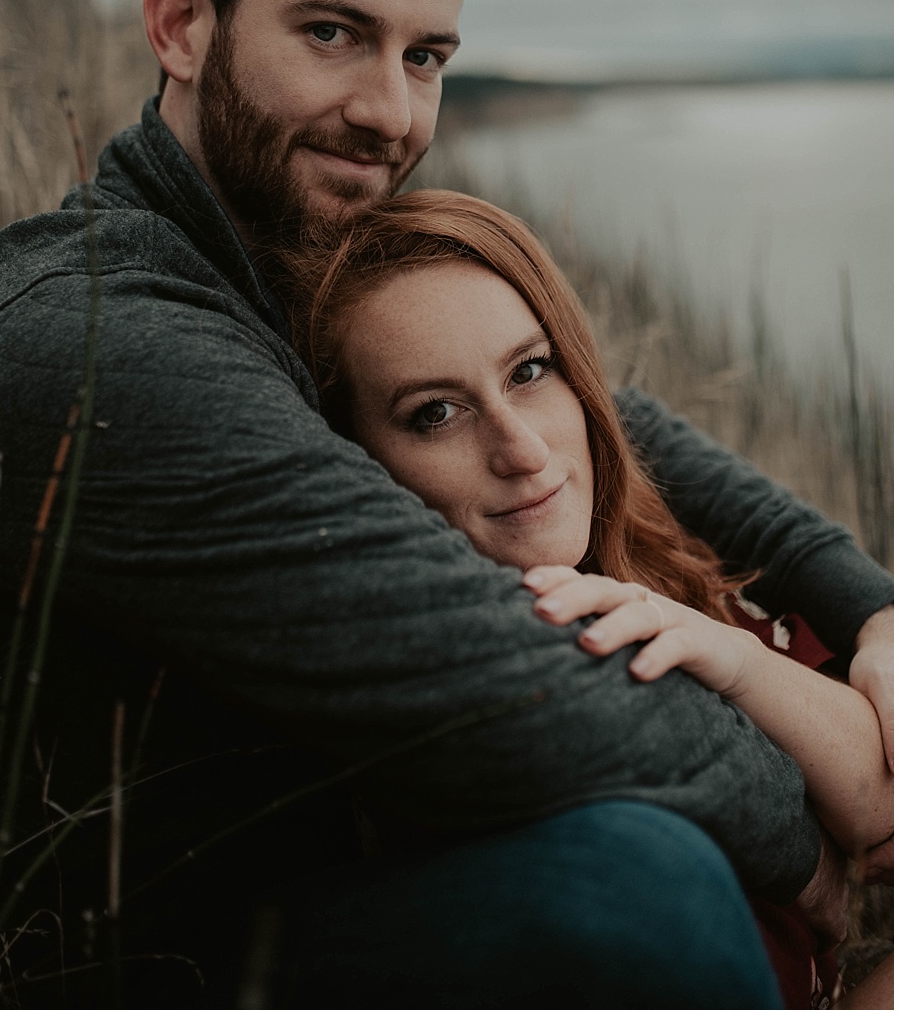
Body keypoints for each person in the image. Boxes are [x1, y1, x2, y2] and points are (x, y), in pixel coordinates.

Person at [0, 0, 894, 1005]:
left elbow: (602, 409)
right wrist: (819, 854)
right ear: (180, 25)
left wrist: (866, 606)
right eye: (331, 33)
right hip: (105, 957)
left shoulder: (272, 246)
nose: (388, 113)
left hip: (295, 878)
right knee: (634, 885)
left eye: (423, 57)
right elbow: (504, 696)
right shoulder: (103, 336)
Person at [283, 188, 892, 1008]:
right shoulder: (470, 685)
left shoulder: (665, 552)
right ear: (358, 460)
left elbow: (879, 799)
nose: (523, 450)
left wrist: (738, 654)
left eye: (528, 371)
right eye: (435, 413)